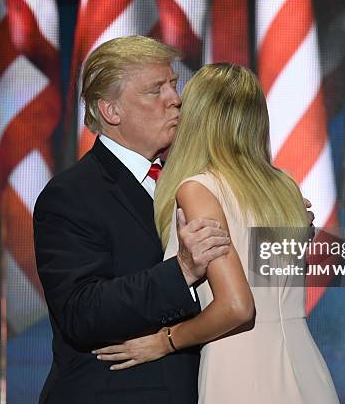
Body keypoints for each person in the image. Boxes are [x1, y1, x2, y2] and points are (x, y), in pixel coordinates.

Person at [93, 63, 339, 403]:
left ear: (198, 117)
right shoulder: (285, 187)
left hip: (240, 370)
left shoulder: (199, 189)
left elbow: (237, 306)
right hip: (306, 366)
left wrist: (164, 340)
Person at [33, 36, 232, 404]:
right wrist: (182, 271)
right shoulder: (71, 195)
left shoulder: (193, 182)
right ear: (111, 111)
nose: (175, 99)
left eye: (173, 85)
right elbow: (82, 311)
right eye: (155, 90)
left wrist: (283, 222)